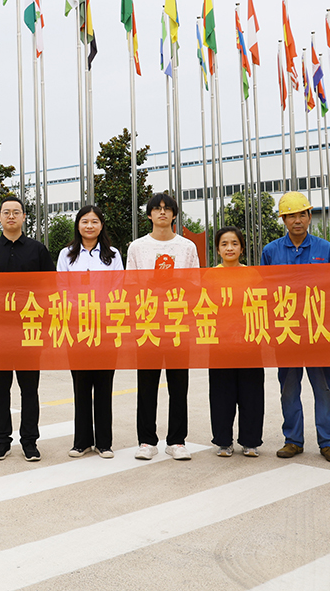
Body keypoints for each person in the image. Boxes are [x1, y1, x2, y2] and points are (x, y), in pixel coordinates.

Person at [260, 191, 330, 463]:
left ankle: (329, 442)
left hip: (319, 331)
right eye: (291, 216)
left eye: (302, 214)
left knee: (324, 388)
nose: (297, 220)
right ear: (283, 220)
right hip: (286, 332)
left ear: (309, 216)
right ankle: (293, 440)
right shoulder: (270, 251)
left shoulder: (325, 249)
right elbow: (264, 292)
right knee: (289, 388)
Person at [0, 195, 55, 461]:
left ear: (24, 217)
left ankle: (30, 441)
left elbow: (50, 289)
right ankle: (2, 441)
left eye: (16, 212)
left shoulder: (38, 250)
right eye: (6, 212)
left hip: (29, 331)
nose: (11, 216)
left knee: (29, 389)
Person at [125, 193, 198, 462]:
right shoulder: (137, 247)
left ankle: (177, 441)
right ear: (149, 215)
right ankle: (146, 441)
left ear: (174, 215)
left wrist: (174, 284)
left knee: (179, 384)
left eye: (167, 209)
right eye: (157, 209)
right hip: (148, 323)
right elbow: (129, 285)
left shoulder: (187, 247)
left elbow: (195, 283)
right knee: (146, 384)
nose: (162, 213)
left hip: (178, 322)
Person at [57, 204, 124, 459]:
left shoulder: (113, 255)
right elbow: (61, 287)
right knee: (81, 384)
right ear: (78, 225)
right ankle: (82, 441)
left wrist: (101, 307)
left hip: (105, 327)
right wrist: (79, 307)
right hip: (77, 327)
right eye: (85, 221)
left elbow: (119, 287)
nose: (89, 226)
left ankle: (104, 442)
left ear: (101, 225)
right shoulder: (67, 255)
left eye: (94, 221)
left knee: (104, 384)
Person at [207, 226, 264, 458]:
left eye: (234, 244)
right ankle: (223, 442)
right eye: (224, 244)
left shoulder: (253, 274)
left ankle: (250, 441)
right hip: (220, 343)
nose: (229, 248)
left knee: (251, 393)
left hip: (249, 341)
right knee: (222, 394)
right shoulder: (209, 276)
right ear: (218, 249)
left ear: (242, 248)